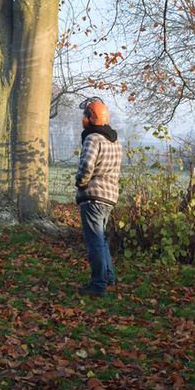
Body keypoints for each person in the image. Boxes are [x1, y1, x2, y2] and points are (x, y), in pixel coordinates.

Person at [75, 97, 123, 297]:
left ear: (91, 117)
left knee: (94, 242)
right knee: (101, 240)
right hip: (109, 198)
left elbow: (86, 166)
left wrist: (80, 182)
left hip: (93, 197)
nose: (83, 119)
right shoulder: (116, 141)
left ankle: (98, 285)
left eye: (85, 115)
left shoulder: (92, 138)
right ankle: (108, 277)